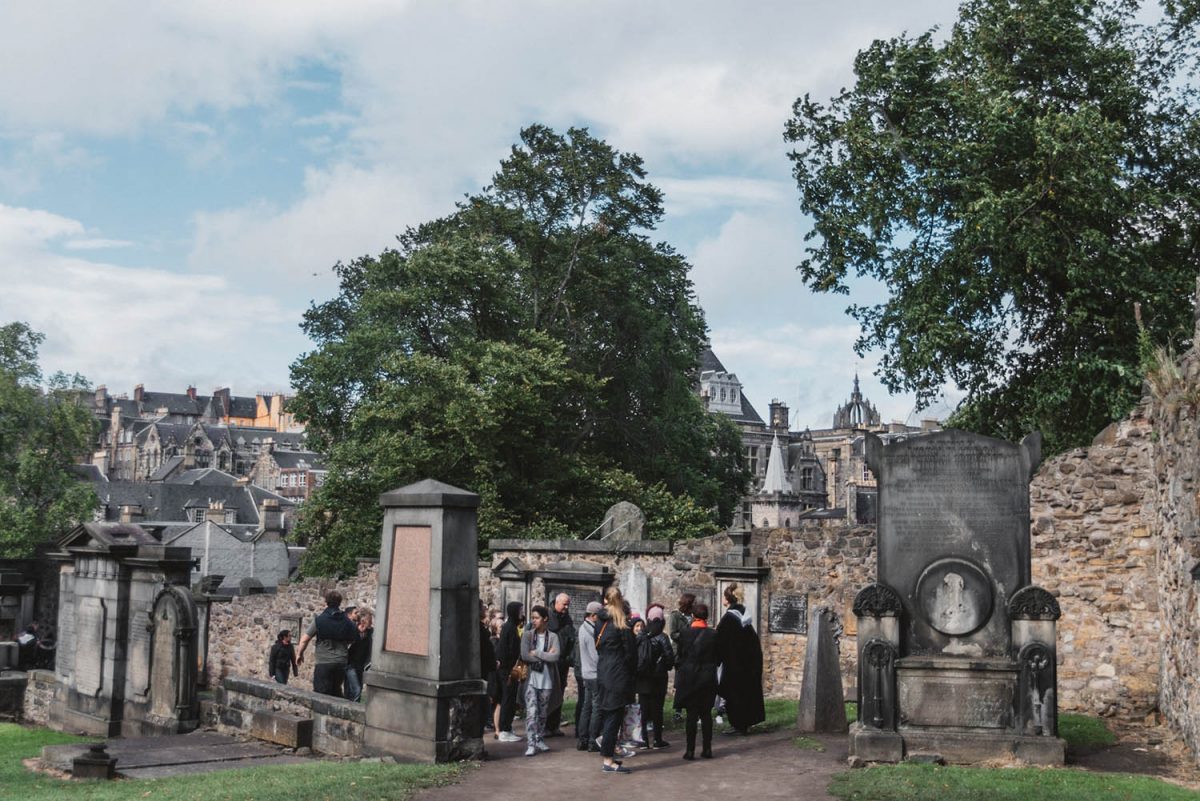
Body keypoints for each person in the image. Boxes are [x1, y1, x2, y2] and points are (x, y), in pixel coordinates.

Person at [595, 586, 637, 774]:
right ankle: (608, 759)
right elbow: (631, 654)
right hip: (617, 674)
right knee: (613, 717)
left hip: (603, 671)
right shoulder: (620, 623)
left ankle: (608, 756)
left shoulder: (600, 621)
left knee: (609, 715)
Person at [715, 583, 765, 734]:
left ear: (728, 598)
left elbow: (721, 641)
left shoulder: (729, 618)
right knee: (745, 692)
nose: (722, 598)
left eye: (724, 595)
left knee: (734, 694)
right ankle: (744, 723)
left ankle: (738, 724)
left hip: (734, 664)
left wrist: (716, 659)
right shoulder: (744, 614)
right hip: (747, 663)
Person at [674, 602, 719, 760]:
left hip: (690, 678)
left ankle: (690, 750)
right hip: (707, 678)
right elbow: (718, 658)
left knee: (691, 714)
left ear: (693, 616)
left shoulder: (685, 634)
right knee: (706, 714)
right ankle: (707, 749)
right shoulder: (714, 634)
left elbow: (680, 656)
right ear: (706, 616)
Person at [296, 590, 359, 697]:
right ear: (339, 603)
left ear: (326, 602)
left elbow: (305, 639)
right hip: (340, 662)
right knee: (336, 692)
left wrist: (299, 653)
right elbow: (353, 639)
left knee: (321, 694)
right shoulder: (348, 622)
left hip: (324, 662)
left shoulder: (319, 620)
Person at [520, 605, 561, 756]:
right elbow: (525, 655)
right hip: (532, 680)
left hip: (547, 681)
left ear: (545, 619)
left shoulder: (553, 637)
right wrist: (545, 655)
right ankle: (531, 743)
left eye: (537, 618)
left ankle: (539, 738)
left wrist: (537, 653)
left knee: (543, 713)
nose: (534, 620)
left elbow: (555, 656)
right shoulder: (528, 635)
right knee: (532, 712)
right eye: (533, 618)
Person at [636, 605, 673, 748]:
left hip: (643, 678)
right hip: (658, 679)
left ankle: (643, 739)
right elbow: (670, 659)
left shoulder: (641, 635)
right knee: (658, 709)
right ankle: (657, 739)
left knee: (643, 709)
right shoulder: (663, 637)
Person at [545, 592, 577, 737]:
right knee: (548, 694)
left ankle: (554, 725)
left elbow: (570, 636)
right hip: (551, 662)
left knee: (559, 693)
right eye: (564, 604)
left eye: (568, 605)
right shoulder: (547, 616)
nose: (566, 607)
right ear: (556, 602)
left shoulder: (567, 618)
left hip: (562, 662)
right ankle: (545, 726)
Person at [494, 601, 525, 742]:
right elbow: (508, 651)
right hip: (508, 670)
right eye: (520, 611)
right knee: (507, 699)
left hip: (508, 669)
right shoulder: (510, 628)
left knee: (509, 699)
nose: (522, 614)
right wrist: (510, 670)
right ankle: (504, 730)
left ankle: (507, 727)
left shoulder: (511, 626)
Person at [576, 600, 603, 752]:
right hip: (593, 673)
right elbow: (595, 656)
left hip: (586, 673)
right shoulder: (590, 631)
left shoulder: (583, 628)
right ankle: (592, 740)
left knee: (587, 707)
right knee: (596, 708)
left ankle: (582, 739)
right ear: (593, 616)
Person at [345, 608, 373, 701]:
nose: (371, 622)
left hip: (360, 666)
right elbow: (347, 646)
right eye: (370, 620)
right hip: (350, 665)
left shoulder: (370, 633)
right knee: (356, 689)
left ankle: (351, 708)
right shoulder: (353, 630)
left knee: (357, 689)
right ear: (363, 620)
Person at [479, 600, 499, 734]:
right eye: (482, 608)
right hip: (481, 673)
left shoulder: (480, 629)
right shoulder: (480, 630)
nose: (484, 610)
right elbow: (486, 652)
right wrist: (493, 664)